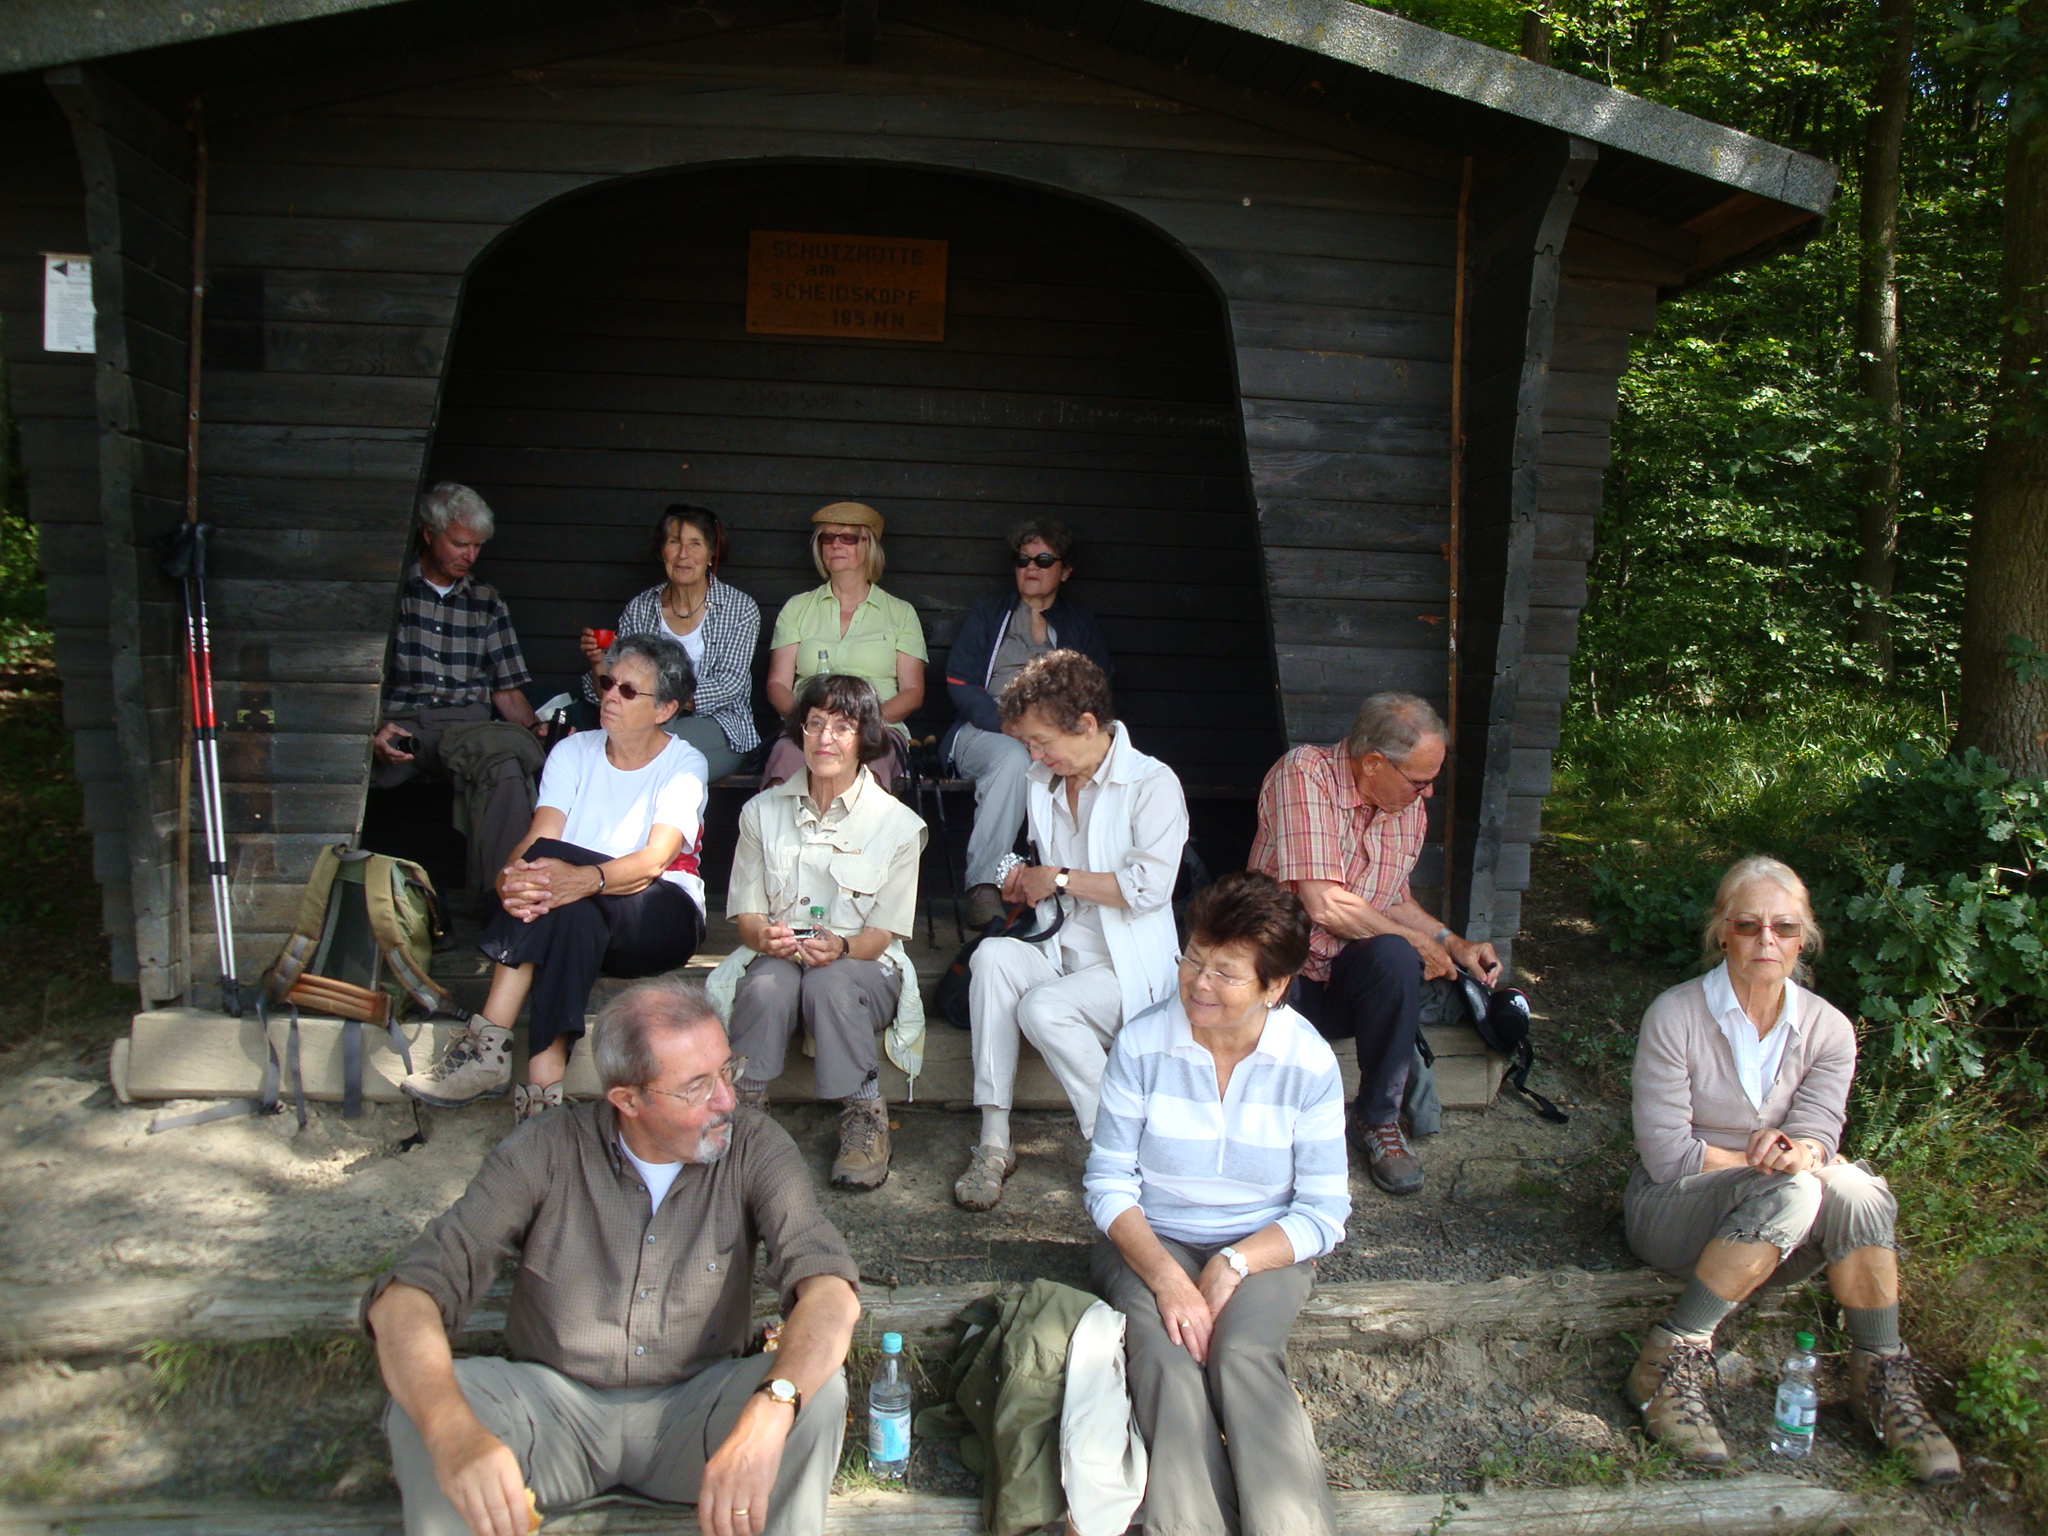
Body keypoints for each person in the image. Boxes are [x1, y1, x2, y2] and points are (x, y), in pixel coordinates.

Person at [366, 976, 863, 1536]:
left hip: (698, 1418)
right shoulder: (546, 1148)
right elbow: (406, 1298)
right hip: (552, 1416)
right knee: (422, 1411)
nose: (728, 1099)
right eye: (697, 1087)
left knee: (814, 1398)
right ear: (628, 1100)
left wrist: (773, 1404)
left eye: (727, 1070)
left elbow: (829, 1290)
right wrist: (453, 1430)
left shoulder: (754, 1144)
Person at [1622, 856, 1959, 1482]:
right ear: (1722, 931)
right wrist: (1775, 1168)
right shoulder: (1675, 1015)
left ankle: (1879, 1374)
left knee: (1857, 1191)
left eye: (1784, 926)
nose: (1766, 940)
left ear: (1804, 937)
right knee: (1795, 1191)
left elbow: (1819, 1135)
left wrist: (1801, 1155)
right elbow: (1667, 1155)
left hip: (1777, 1224)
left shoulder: (1828, 1028)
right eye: (1748, 925)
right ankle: (1670, 1358)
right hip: (1673, 1209)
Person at [1084, 871, 1349, 1536]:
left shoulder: (1309, 1064)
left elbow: (1323, 1212)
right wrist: (1169, 1279)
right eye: (1193, 961)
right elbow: (1109, 1184)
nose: (1199, 985)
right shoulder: (1144, 1044)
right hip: (1151, 1238)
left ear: (1276, 986)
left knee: (1242, 1354)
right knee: (1168, 1363)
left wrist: (1234, 1261)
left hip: (1263, 1247)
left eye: (1226, 973)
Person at [400, 633, 709, 1122]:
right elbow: (538, 836)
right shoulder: (573, 752)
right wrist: (511, 876)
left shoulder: (684, 763)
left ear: (665, 709)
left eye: (629, 691)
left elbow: (654, 861)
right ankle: (543, 1094)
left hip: (660, 914)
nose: (610, 694)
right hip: (575, 912)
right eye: (609, 682)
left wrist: (576, 878)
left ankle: (486, 1043)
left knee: (557, 877)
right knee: (564, 906)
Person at [954, 650, 1186, 1212]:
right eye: (1028, 744)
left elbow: (1148, 889)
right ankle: (994, 1141)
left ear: (1085, 725)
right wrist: (1019, 876)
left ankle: (1113, 1144)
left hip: (1126, 967)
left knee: (1042, 1009)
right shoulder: (1045, 780)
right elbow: (1039, 866)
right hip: (1060, 948)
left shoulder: (1152, 783)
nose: (1033, 755)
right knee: (990, 959)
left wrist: (1054, 877)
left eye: (1041, 742)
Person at [1248, 691, 1501, 1198]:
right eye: (1421, 781)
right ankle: (1266, 1130)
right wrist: (1414, 943)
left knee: (1392, 956)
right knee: (1390, 948)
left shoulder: (1406, 808)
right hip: (1281, 980)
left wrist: (1452, 943)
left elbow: (1392, 900)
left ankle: (1378, 1118)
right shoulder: (1306, 774)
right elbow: (1325, 904)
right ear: (1372, 763)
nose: (1428, 794)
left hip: (1342, 983)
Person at [722, 675, 927, 1191]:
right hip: (781, 959)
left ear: (865, 740)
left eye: (843, 726)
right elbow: (747, 913)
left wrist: (841, 946)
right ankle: (743, 1114)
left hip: (862, 968)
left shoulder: (898, 825)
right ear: (800, 733)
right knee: (768, 982)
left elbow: (882, 935)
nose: (825, 738)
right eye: (815, 724)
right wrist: (762, 937)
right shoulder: (761, 812)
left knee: (829, 981)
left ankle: (864, 1116)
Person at [371, 483, 546, 910]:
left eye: (477, 546)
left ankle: (504, 906)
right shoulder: (392, 591)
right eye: (460, 543)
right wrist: (370, 728)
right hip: (402, 725)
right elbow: (353, 679)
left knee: (506, 765)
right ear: (429, 533)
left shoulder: (486, 600)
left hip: (467, 727)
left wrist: (534, 731)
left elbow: (506, 691)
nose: (470, 556)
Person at [943, 519, 1114, 930]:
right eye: (1023, 560)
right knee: (1012, 759)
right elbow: (958, 682)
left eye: (1043, 560)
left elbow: (1099, 684)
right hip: (986, 730)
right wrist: (1004, 724)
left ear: (1065, 570)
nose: (1031, 568)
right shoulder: (989, 615)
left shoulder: (1080, 625)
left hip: (1054, 733)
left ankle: (1077, 882)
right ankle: (984, 885)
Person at [579, 503, 762, 784]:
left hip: (720, 724)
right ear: (662, 550)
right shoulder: (640, 608)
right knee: (616, 752)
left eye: (695, 544)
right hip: (645, 719)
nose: (683, 555)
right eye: (674, 542)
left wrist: (657, 703)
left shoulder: (739, 608)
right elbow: (610, 690)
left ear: (712, 553)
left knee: (663, 754)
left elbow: (729, 684)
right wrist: (597, 664)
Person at [761, 503, 926, 790]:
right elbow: (777, 684)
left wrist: (863, 725)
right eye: (828, 537)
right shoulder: (797, 608)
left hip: (877, 729)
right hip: (807, 728)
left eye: (848, 537)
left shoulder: (900, 612)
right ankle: (780, 835)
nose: (836, 544)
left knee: (872, 764)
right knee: (785, 756)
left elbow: (913, 692)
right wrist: (809, 724)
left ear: (869, 545)